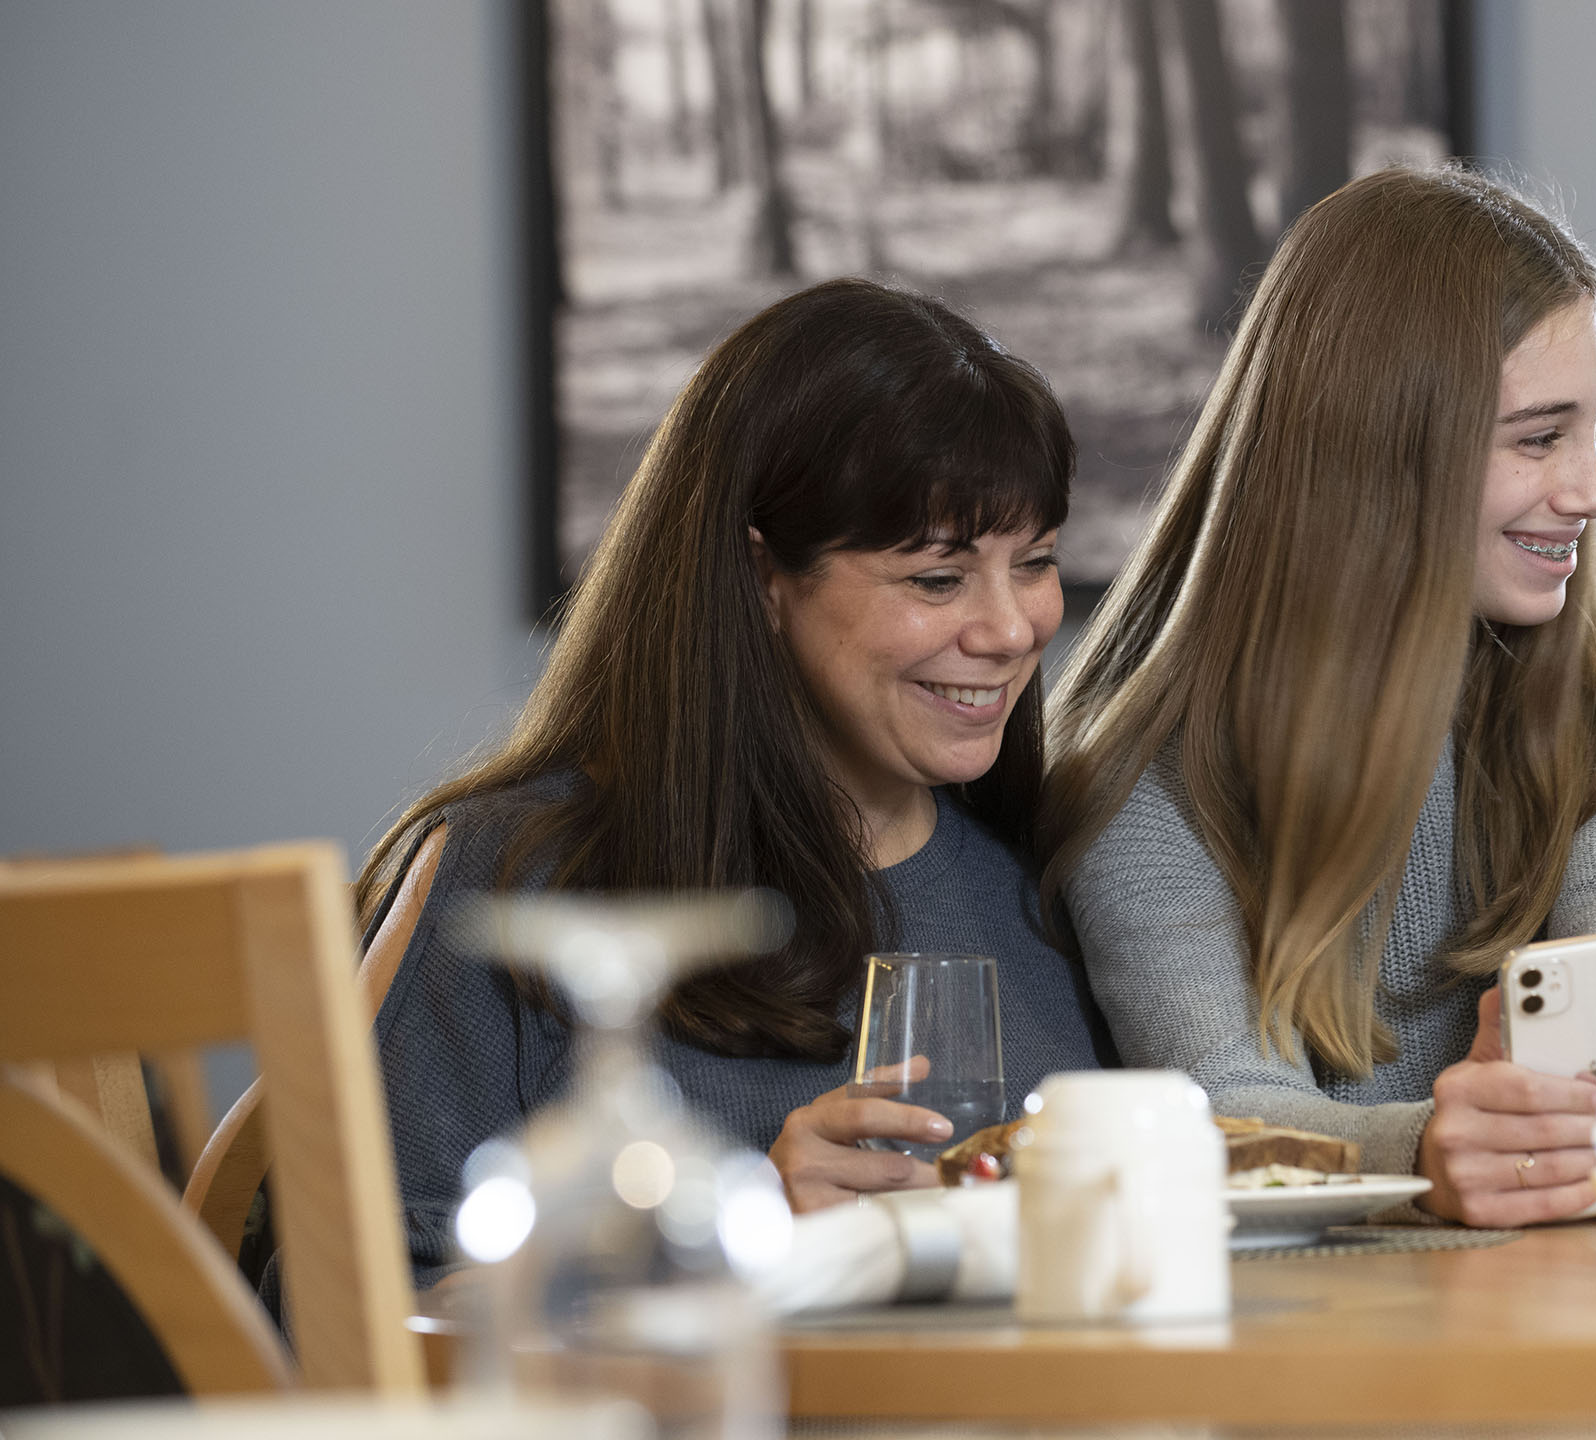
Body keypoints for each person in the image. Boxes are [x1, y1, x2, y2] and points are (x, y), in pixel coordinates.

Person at [1041, 166, 1596, 1228]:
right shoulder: (1140, 760)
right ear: (1381, 446)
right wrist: (1423, 1150)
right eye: (1536, 436)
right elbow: (1216, 1113)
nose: (1592, 491)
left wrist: (1570, 1091)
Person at [363, 278, 1112, 1286]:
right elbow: (339, 1318)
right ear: (763, 578)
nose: (1011, 629)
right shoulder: (514, 877)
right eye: (937, 579)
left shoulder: (1055, 880)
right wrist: (735, 1237)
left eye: (1037, 562)